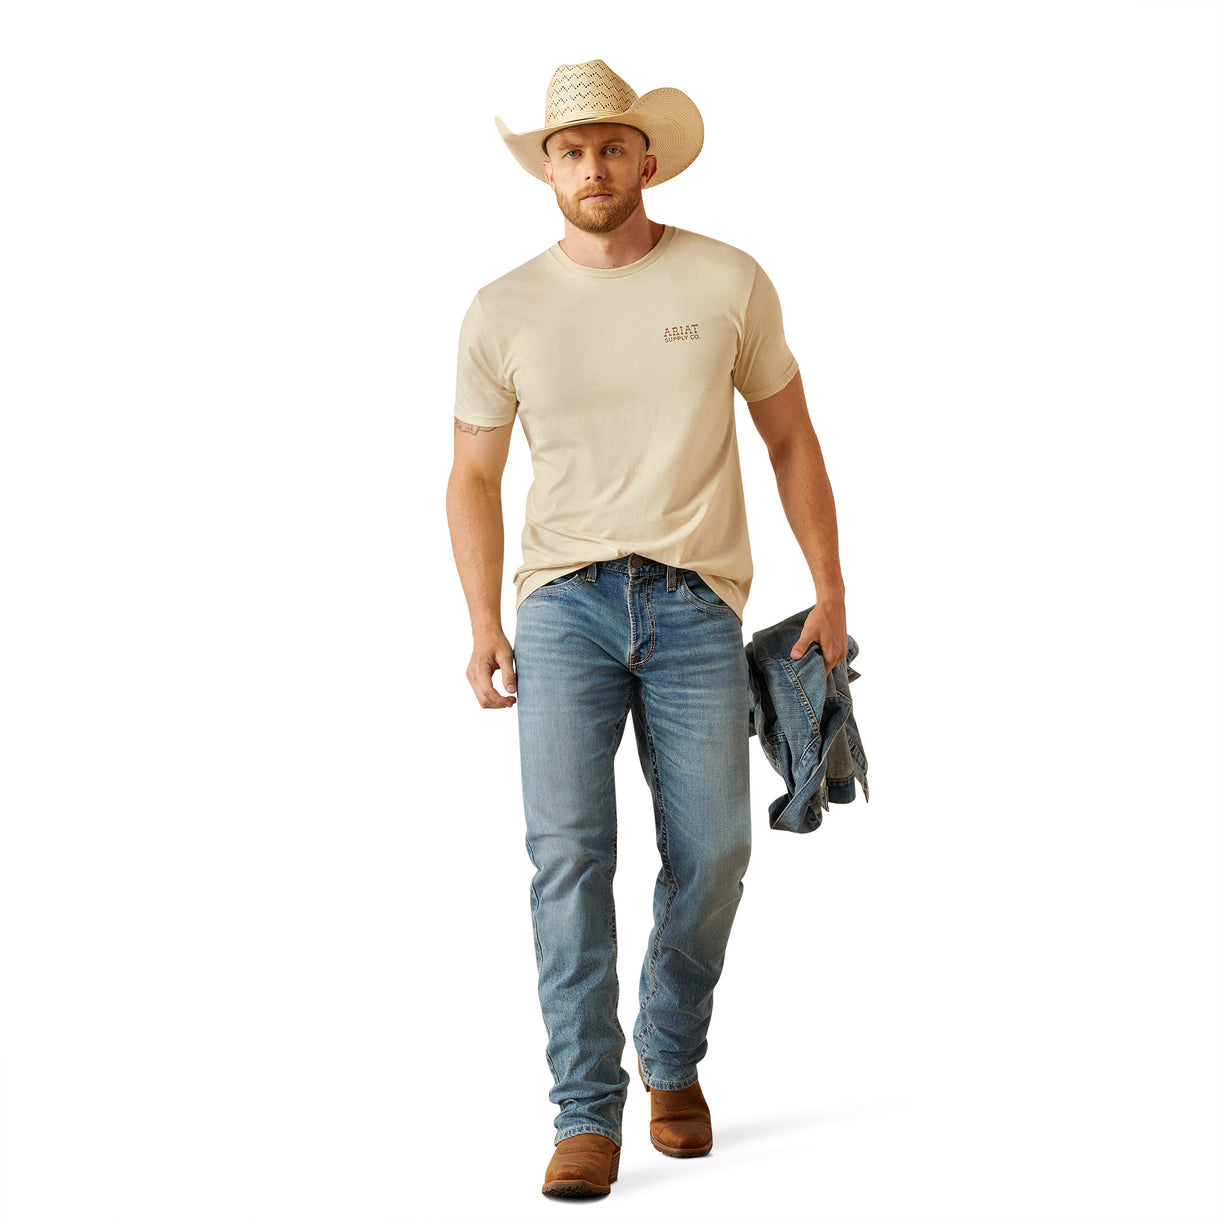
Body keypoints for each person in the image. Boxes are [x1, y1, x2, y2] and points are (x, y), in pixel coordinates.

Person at [446, 60, 847, 1198]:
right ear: (548, 169)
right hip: (562, 604)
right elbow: (471, 476)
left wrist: (831, 585)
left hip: (693, 601)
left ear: (648, 159)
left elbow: (792, 440)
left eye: (612, 147)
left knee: (716, 849)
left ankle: (670, 1055)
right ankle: (586, 1111)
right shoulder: (503, 307)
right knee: (567, 859)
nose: (591, 167)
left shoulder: (727, 279)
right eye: (569, 151)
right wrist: (483, 616)